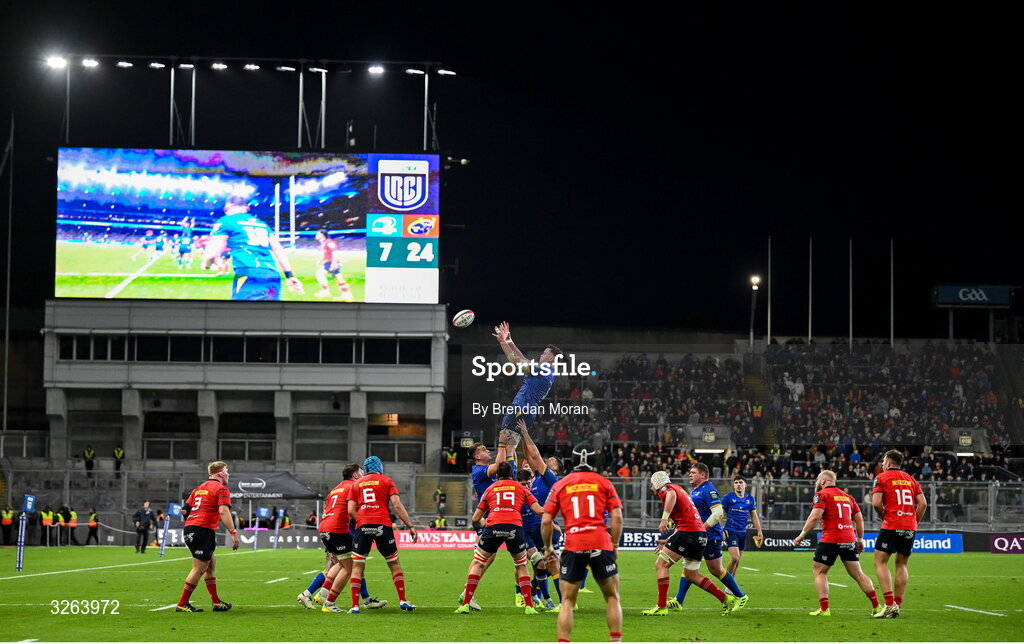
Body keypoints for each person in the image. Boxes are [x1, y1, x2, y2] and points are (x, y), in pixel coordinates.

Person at [541, 445, 624, 644]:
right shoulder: (604, 483)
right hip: (600, 543)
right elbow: (617, 517)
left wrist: (548, 548)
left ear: (573, 461)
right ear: (595, 461)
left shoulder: (561, 484)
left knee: (568, 601)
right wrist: (614, 545)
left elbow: (545, 521)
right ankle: (615, 641)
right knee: (612, 597)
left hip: (574, 545)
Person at [456, 460, 548, 615]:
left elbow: (476, 517)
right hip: (515, 527)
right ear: (512, 474)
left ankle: (465, 604)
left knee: (478, 562)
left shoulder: (490, 488)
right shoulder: (521, 488)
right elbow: (539, 511)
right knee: (521, 565)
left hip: (494, 526)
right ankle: (529, 607)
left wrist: (485, 523)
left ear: (497, 475)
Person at [642, 471, 737, 616]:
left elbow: (671, 496)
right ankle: (725, 599)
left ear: (656, 482)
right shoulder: (681, 489)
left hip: (688, 533)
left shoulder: (666, 489)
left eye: (652, 484)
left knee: (661, 565)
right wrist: (668, 540)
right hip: (700, 534)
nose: (652, 488)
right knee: (691, 574)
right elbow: (685, 521)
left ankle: (661, 606)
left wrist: (664, 519)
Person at [297, 463, 387, 613]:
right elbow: (356, 509)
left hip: (325, 527)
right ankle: (329, 602)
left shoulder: (336, 489)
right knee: (352, 567)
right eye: (361, 472)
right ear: (355, 475)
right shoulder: (355, 486)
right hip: (339, 528)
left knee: (341, 564)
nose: (363, 475)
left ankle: (319, 595)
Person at [792, 469, 881, 617]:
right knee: (858, 574)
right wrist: (860, 540)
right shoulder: (848, 497)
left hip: (830, 539)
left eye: (817, 481)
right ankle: (877, 606)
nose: (816, 484)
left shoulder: (822, 494)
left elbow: (815, 518)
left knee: (819, 571)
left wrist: (801, 535)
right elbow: (859, 519)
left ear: (823, 481)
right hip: (849, 539)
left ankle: (825, 609)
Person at [346, 456, 419, 613]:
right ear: (379, 467)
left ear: (365, 469)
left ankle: (354, 606)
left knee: (357, 566)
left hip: (363, 526)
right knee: (394, 563)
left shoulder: (356, 484)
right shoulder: (387, 481)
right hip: (383, 525)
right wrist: (410, 526)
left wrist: (364, 521)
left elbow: (351, 510)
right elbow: (397, 505)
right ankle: (403, 601)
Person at [670, 462, 748, 610]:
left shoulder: (708, 490)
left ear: (703, 475)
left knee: (716, 569)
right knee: (689, 567)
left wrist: (701, 528)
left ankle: (740, 596)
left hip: (710, 536)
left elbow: (718, 513)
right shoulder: (695, 491)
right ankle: (678, 600)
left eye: (693, 472)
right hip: (698, 535)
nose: (690, 474)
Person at [201, 189, 304, 301]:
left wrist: (206, 264)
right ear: (246, 208)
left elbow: (213, 250)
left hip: (249, 273)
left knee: (244, 315)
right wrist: (289, 275)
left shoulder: (226, 221)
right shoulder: (262, 224)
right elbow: (278, 250)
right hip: (272, 274)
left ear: (228, 207)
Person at [458, 433, 513, 609]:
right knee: (480, 560)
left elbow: (501, 465)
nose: (487, 450)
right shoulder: (479, 470)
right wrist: (503, 443)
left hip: (490, 517)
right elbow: (499, 465)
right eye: (483, 450)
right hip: (486, 518)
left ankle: (468, 592)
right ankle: (467, 593)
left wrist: (507, 446)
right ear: (477, 457)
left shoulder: (485, 469)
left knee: (489, 557)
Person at [176, 461, 239, 612]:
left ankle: (216, 602)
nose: (228, 474)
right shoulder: (221, 489)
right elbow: (223, 512)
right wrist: (233, 533)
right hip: (203, 529)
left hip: (191, 528)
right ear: (220, 473)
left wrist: (193, 521)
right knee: (199, 568)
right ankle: (182, 603)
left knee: (210, 564)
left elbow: (184, 510)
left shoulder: (199, 488)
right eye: (227, 471)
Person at [871, 449, 927, 618]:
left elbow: (876, 503)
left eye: (883, 461)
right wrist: (913, 522)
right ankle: (898, 605)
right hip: (909, 526)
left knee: (880, 562)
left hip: (892, 524)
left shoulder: (881, 477)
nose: (881, 464)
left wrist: (883, 515)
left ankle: (888, 604)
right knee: (901, 564)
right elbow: (923, 504)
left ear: (888, 462)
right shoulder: (911, 479)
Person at [518, 418, 563, 611]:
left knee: (551, 564)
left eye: (551, 461)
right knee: (540, 564)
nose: (547, 460)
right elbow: (530, 456)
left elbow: (535, 456)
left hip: (545, 528)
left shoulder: (550, 479)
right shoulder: (535, 479)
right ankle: (541, 596)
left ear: (555, 469)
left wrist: (526, 433)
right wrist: (522, 436)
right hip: (531, 528)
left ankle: (563, 601)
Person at [492, 321, 561, 441]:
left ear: (551, 358)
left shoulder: (542, 370)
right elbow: (523, 359)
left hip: (521, 407)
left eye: (544, 354)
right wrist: (509, 341)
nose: (540, 356)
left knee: (504, 441)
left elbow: (516, 361)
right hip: (528, 411)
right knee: (511, 446)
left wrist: (503, 342)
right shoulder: (548, 372)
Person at [721, 476, 764, 577]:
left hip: (742, 531)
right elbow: (720, 513)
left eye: (740, 482)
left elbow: (754, 515)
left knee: (738, 560)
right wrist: (720, 528)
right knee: (735, 558)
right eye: (736, 482)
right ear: (734, 485)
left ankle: (731, 584)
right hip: (731, 530)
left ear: (745, 485)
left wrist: (759, 531)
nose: (738, 484)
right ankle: (726, 581)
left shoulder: (750, 498)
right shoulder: (728, 497)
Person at [313, 230, 354, 300]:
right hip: (328, 262)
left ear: (322, 234)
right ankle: (346, 295)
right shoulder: (323, 243)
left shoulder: (329, 242)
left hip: (331, 262)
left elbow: (335, 252)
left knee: (320, 274)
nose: (316, 235)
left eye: (318, 234)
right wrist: (319, 261)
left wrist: (334, 263)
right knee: (338, 278)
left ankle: (326, 292)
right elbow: (324, 254)